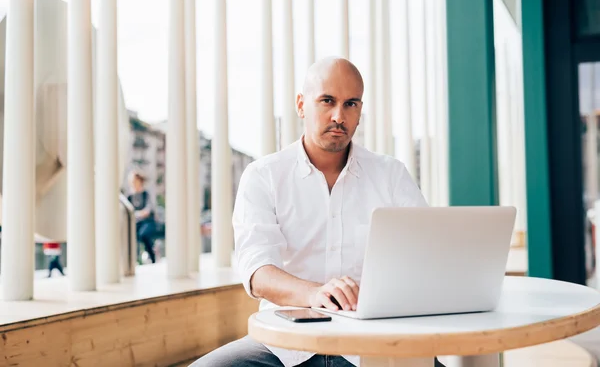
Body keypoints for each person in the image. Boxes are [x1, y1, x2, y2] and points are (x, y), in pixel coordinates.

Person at [192, 57, 443, 367]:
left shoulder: (390, 175)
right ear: (301, 105)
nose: (339, 116)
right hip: (283, 346)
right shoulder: (263, 176)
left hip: (372, 344)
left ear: (360, 111)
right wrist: (316, 294)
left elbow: (427, 255)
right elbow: (257, 272)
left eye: (351, 104)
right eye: (327, 101)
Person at [127, 170, 156, 264]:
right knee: (132, 237)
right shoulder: (129, 197)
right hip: (135, 223)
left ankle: (152, 257)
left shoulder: (146, 194)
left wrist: (137, 214)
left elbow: (148, 210)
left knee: (143, 235)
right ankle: (134, 260)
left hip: (147, 222)